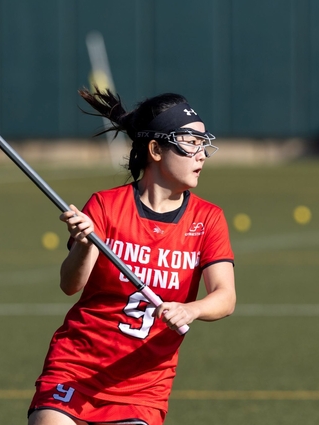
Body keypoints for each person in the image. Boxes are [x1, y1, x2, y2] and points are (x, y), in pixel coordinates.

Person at [28, 87, 236, 425]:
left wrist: (191, 309)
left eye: (202, 143)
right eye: (190, 142)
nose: (201, 154)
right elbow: (70, 285)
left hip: (142, 387)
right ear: (155, 150)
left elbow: (225, 297)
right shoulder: (105, 205)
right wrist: (85, 243)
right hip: (76, 368)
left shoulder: (208, 219)